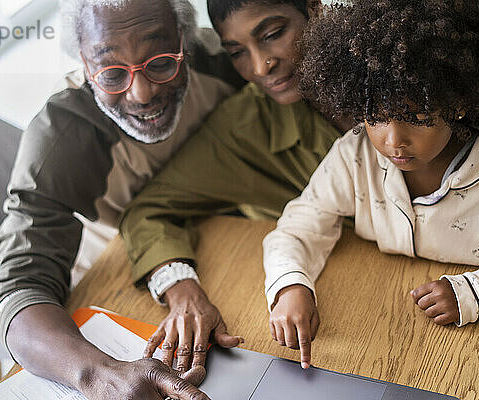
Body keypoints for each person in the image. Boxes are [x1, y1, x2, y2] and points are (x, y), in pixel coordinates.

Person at [0, 0, 245, 398]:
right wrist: (100, 375)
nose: (142, 93)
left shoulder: (225, 59)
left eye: (160, 62)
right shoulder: (63, 133)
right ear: (84, 66)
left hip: (224, 252)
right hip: (113, 288)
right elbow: (18, 289)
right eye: (110, 73)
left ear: (184, 41)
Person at [263, 0, 479, 371]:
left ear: (458, 102)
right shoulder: (355, 154)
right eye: (376, 116)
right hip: (377, 333)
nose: (393, 140)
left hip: (474, 356)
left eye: (415, 117)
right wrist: (290, 285)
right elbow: (298, 225)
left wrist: (477, 294)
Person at [120, 0, 350, 373]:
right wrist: (183, 293)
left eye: (273, 35)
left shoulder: (401, 59)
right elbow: (147, 212)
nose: (260, 66)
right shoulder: (243, 127)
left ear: (315, 8)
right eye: (238, 52)